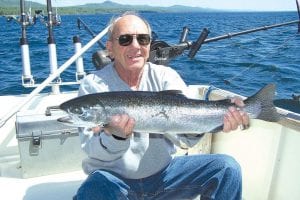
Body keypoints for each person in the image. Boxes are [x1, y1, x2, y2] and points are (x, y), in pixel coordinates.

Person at [74, 11, 249, 200]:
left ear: (149, 44)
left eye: (143, 39)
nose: (136, 46)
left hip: (166, 176)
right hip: (114, 181)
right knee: (91, 192)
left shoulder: (166, 76)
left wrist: (220, 117)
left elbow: (185, 140)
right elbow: (92, 149)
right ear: (110, 48)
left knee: (226, 169)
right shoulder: (93, 86)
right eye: (125, 39)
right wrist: (115, 136)